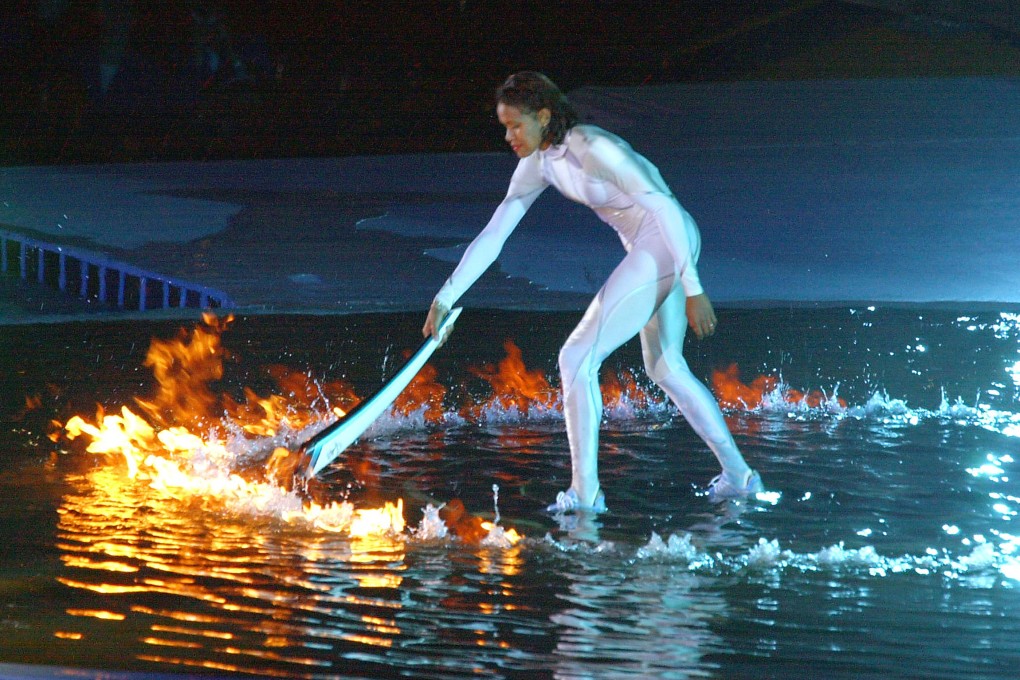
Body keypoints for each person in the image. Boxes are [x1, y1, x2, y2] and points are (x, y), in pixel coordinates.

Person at [422, 71, 763, 512]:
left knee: (576, 357)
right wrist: (446, 296)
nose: (508, 136)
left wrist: (692, 285)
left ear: (544, 116)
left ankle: (585, 494)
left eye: (515, 125)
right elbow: (495, 233)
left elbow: (661, 204)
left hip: (667, 238)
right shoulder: (538, 165)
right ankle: (740, 476)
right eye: (504, 126)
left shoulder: (594, 147)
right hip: (654, 249)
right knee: (665, 367)